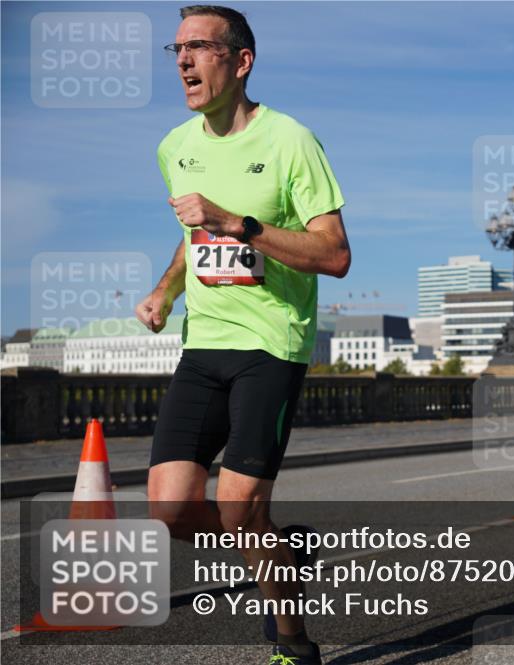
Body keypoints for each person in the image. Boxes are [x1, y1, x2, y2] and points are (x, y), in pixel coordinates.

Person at [135, 6, 350, 663]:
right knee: (170, 510)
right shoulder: (176, 147)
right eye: (178, 48)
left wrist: (242, 223)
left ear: (241, 60)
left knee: (237, 509)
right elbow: (190, 238)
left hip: (271, 345)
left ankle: (292, 641)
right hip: (204, 345)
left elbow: (335, 254)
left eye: (199, 47)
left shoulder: (291, 140)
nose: (183, 60)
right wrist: (165, 292)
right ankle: (281, 550)